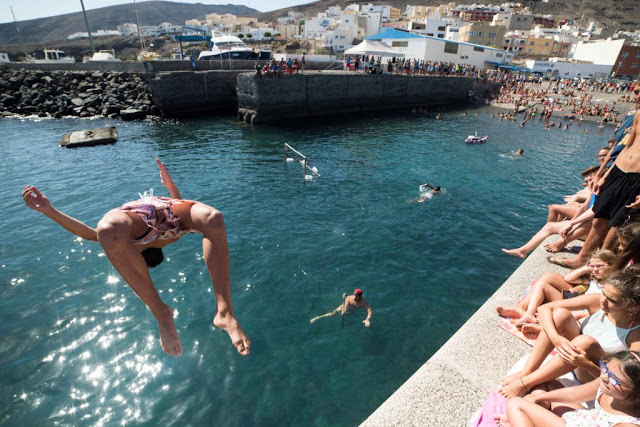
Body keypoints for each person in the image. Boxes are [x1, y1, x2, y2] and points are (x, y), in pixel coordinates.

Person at [21, 158, 250, 358]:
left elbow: (91, 234)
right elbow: (178, 209)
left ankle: (199, 312)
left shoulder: (149, 239)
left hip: (150, 217)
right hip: (167, 214)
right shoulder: (168, 237)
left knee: (107, 231)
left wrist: (50, 211)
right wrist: (170, 185)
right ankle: (219, 311)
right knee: (213, 218)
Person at [498, 270, 640, 399]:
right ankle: (527, 371)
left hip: (594, 375)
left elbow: (622, 384)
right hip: (575, 355)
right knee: (560, 314)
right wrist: (556, 338)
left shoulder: (635, 335)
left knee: (585, 342)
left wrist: (586, 364)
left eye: (612, 300)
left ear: (633, 306)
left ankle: (525, 383)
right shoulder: (598, 301)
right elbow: (545, 309)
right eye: (604, 293)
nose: (603, 300)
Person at [554, 85, 640, 268]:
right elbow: (625, 147)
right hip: (619, 171)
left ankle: (600, 265)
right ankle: (581, 260)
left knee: (617, 223)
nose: (637, 96)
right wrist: (603, 175)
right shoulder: (638, 115)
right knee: (600, 217)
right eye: (636, 92)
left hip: (636, 178)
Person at [496, 351, 640, 426]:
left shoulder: (628, 424)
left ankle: (522, 419)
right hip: (585, 420)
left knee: (516, 403)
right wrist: (536, 398)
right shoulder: (606, 386)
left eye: (615, 379)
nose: (604, 377)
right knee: (547, 385)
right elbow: (576, 394)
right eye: (605, 368)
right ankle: (525, 419)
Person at [496, 249, 616, 330]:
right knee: (544, 280)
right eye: (593, 266)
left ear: (612, 265)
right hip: (574, 301)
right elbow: (569, 278)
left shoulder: (612, 286)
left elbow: (602, 309)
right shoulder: (595, 278)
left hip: (582, 310)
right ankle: (528, 313)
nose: (595, 270)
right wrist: (586, 268)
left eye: (600, 266)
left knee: (544, 287)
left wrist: (576, 312)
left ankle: (539, 324)